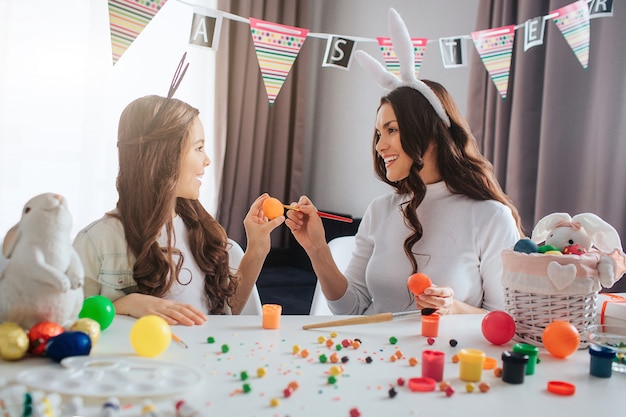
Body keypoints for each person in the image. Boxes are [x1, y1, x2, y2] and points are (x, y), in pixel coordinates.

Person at [286, 81, 523, 315]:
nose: (379, 146)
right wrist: (316, 248)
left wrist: (453, 309)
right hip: (371, 350)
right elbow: (350, 309)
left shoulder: (491, 217)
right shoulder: (379, 210)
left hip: (443, 352)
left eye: (391, 130)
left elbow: (506, 322)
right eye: (379, 133)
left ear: (430, 131)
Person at [73, 95, 284, 325]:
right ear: (164, 157)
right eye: (199, 148)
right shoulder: (95, 242)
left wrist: (257, 247)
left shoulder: (202, 230)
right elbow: (70, 322)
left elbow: (227, 313)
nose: (207, 160)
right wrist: (124, 305)